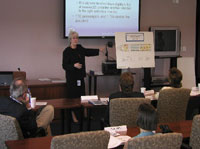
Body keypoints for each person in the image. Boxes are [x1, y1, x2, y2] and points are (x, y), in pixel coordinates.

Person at [62, 30, 104, 98]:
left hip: (80, 76)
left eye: (77, 38)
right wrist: (74, 65)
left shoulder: (80, 48)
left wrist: (98, 50)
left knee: (81, 94)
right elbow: (64, 66)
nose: (76, 40)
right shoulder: (67, 51)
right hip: (72, 78)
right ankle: (72, 109)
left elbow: (87, 52)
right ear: (70, 39)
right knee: (72, 95)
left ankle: (81, 108)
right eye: (74, 38)